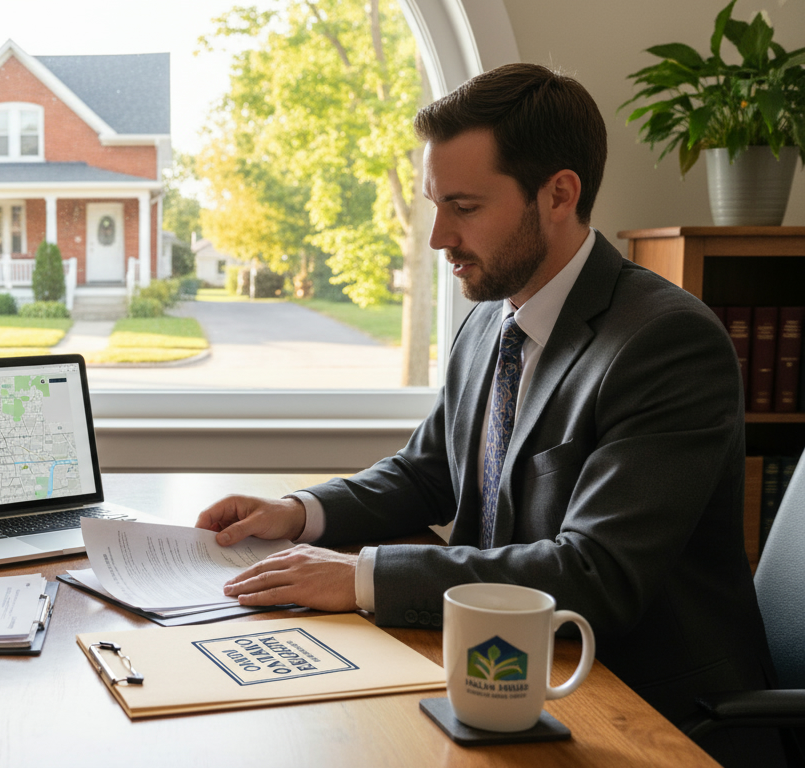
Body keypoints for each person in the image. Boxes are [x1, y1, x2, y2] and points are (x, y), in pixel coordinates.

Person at [197, 64, 775, 751]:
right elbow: (427, 472)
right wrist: (299, 513)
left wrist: (360, 578)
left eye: (464, 208)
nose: (439, 236)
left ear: (558, 195)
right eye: (435, 204)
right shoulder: (491, 322)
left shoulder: (665, 343)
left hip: (642, 711)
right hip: (503, 673)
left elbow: (593, 574)